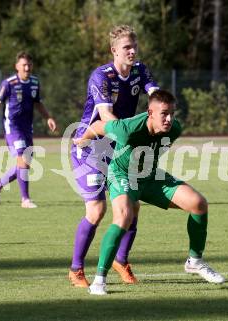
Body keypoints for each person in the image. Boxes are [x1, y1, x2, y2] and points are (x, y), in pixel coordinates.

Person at [74, 89, 225, 295]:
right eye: (164, 113)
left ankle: (195, 261)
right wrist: (82, 140)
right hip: (122, 175)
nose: (169, 118)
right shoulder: (127, 129)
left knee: (198, 204)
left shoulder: (175, 129)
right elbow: (98, 125)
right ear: (150, 113)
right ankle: (99, 280)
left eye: (172, 113)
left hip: (150, 176)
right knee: (124, 216)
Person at [68, 25, 159, 288]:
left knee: (132, 207)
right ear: (114, 51)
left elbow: (155, 96)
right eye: (126, 48)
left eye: (134, 47)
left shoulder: (140, 70)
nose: (132, 51)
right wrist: (130, 136)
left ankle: (121, 260)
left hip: (119, 147)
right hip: (91, 147)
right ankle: (76, 269)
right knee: (97, 210)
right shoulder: (102, 77)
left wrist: (163, 111)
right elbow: (106, 117)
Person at [0, 51, 57, 208]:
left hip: (27, 128)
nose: (27, 68)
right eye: (24, 65)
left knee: (23, 164)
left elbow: (38, 102)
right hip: (12, 128)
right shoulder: (8, 83)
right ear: (16, 66)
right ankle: (25, 199)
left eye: (29, 65)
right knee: (23, 161)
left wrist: (48, 118)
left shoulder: (34, 82)